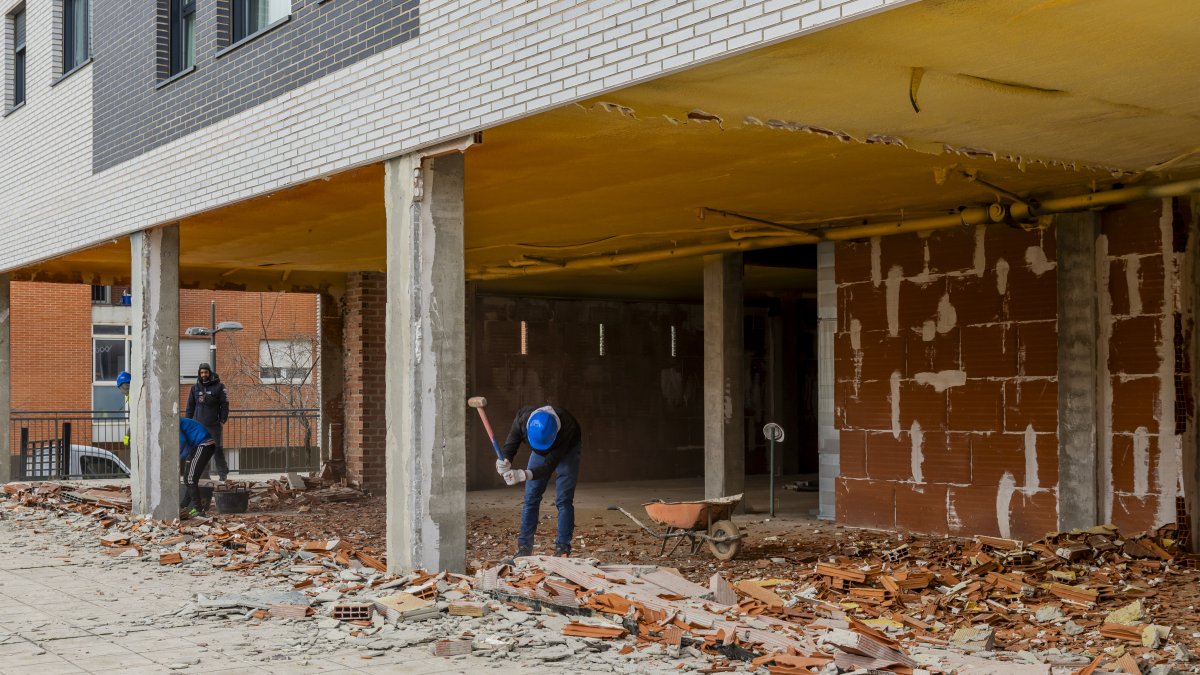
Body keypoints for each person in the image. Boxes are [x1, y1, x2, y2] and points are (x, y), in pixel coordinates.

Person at [497, 405, 582, 558]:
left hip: (567, 450)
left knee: (564, 500)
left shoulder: (567, 426)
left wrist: (524, 474)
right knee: (531, 498)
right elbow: (511, 444)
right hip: (540, 452)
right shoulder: (522, 419)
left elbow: (549, 465)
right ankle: (524, 549)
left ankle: (562, 549)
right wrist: (504, 461)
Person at [186, 363, 230, 481]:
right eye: (201, 373)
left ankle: (223, 474)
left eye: (206, 372)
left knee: (217, 450)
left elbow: (224, 405)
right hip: (198, 426)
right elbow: (190, 407)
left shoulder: (219, 387)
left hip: (214, 425)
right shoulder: (194, 388)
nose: (203, 375)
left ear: (209, 373)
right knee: (201, 451)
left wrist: (222, 420)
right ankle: (204, 475)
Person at [179, 417, 217, 518]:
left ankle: (198, 510)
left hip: (203, 444)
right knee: (189, 478)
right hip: (199, 447)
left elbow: (182, 441)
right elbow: (186, 449)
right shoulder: (179, 422)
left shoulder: (174, 423)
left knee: (191, 479)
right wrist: (182, 456)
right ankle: (183, 506)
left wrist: (177, 455)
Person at [115, 371, 131, 447]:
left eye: (120, 388)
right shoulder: (129, 396)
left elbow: (133, 420)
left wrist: (126, 437)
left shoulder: (132, 397)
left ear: (125, 385)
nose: (121, 392)